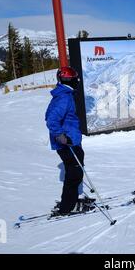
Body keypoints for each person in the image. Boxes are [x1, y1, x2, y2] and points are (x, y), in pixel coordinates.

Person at [45, 66, 89, 216]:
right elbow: (51, 119)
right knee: (74, 174)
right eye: (76, 78)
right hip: (67, 143)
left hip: (72, 141)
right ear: (69, 80)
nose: (77, 81)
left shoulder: (65, 94)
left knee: (76, 172)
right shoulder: (64, 97)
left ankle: (71, 201)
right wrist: (60, 136)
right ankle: (67, 207)